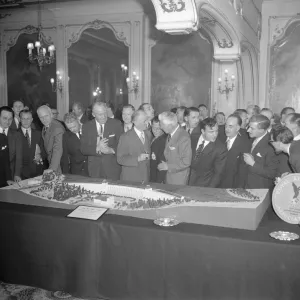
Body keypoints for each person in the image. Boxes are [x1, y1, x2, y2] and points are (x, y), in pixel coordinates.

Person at [81, 102, 123, 179]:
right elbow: (83, 149)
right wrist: (97, 148)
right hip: (94, 170)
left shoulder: (116, 124)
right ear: (93, 114)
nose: (104, 116)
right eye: (100, 114)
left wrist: (112, 150)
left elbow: (123, 146)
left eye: (105, 113)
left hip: (113, 169)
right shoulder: (86, 127)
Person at [189, 118, 227, 187]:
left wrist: (209, 190)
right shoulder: (192, 138)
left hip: (204, 186)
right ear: (203, 131)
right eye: (211, 132)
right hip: (186, 182)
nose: (215, 134)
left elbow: (218, 174)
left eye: (216, 131)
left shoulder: (221, 148)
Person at [244, 114, 278, 189]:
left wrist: (253, 164)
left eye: (252, 128)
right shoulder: (251, 138)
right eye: (248, 126)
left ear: (261, 130)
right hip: (246, 186)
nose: (248, 130)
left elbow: (272, 173)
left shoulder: (271, 145)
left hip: (260, 189)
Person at [117, 109, 151, 183]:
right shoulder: (125, 137)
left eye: (147, 120)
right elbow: (120, 159)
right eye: (144, 121)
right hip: (131, 178)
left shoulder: (148, 134)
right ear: (135, 122)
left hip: (146, 177)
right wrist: (137, 158)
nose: (147, 123)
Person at [158, 111, 192, 185]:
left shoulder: (183, 137)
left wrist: (167, 166)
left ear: (170, 125)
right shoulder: (170, 134)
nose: (160, 127)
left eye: (162, 125)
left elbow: (186, 162)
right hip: (169, 177)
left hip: (178, 180)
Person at [220, 114, 251, 188]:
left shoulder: (245, 144)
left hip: (233, 185)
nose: (226, 129)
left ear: (237, 128)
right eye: (226, 125)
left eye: (230, 126)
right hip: (218, 184)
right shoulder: (220, 139)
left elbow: (243, 171)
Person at [37, 105, 65, 173]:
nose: (44, 119)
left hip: (59, 165)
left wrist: (52, 168)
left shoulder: (57, 127)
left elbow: (57, 149)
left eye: (46, 116)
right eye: (41, 117)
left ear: (51, 115)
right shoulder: (46, 126)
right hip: (52, 163)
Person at [19, 109, 45, 179]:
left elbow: (44, 151)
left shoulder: (38, 133)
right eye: (23, 118)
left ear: (32, 119)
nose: (26, 121)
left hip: (38, 171)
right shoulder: (15, 134)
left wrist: (40, 155)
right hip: (21, 173)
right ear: (20, 119)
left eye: (28, 118)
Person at [0, 106, 22, 182]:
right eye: (4, 118)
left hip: (11, 175)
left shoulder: (16, 134)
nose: (7, 121)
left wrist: (17, 174)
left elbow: (18, 156)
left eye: (10, 119)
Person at [150, 116, 167, 183]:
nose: (156, 130)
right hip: (152, 175)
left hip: (158, 178)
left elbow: (162, 164)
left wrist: (159, 181)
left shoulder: (164, 141)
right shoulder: (153, 138)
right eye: (154, 127)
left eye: (158, 128)